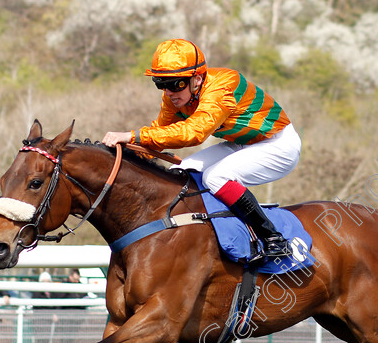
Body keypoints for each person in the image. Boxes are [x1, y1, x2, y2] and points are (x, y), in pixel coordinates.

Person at [102, 38, 301, 261]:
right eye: (161, 84)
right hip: (241, 143)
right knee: (183, 172)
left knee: (216, 177)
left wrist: (132, 135)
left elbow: (194, 133)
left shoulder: (223, 86)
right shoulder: (175, 96)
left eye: (175, 84)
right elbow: (160, 133)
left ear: (197, 79)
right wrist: (127, 153)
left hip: (278, 145)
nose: (169, 92)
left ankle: (273, 237)